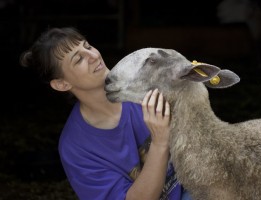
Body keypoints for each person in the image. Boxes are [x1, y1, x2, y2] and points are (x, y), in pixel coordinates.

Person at [20, 27, 191, 200]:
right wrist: (160, 142)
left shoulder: (142, 83)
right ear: (61, 84)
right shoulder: (76, 148)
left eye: (87, 46)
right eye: (79, 59)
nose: (94, 56)